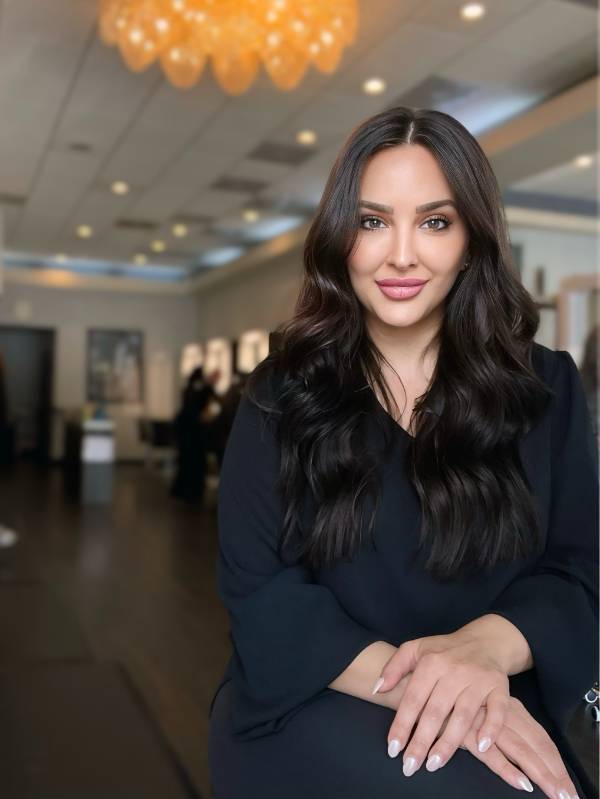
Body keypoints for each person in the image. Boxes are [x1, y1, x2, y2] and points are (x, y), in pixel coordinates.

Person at [208, 107, 599, 799]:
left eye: (435, 222)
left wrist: (483, 651)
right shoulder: (280, 393)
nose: (401, 255)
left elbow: (580, 568)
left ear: (474, 238)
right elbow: (260, 590)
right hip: (315, 693)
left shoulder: (547, 388)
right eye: (372, 221)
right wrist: (438, 683)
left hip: (497, 688)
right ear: (340, 238)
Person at [169, 366, 220, 504]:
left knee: (187, 461)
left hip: (186, 430)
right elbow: (209, 409)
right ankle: (193, 492)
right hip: (193, 432)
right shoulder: (202, 389)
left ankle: (186, 491)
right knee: (194, 462)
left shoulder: (190, 388)